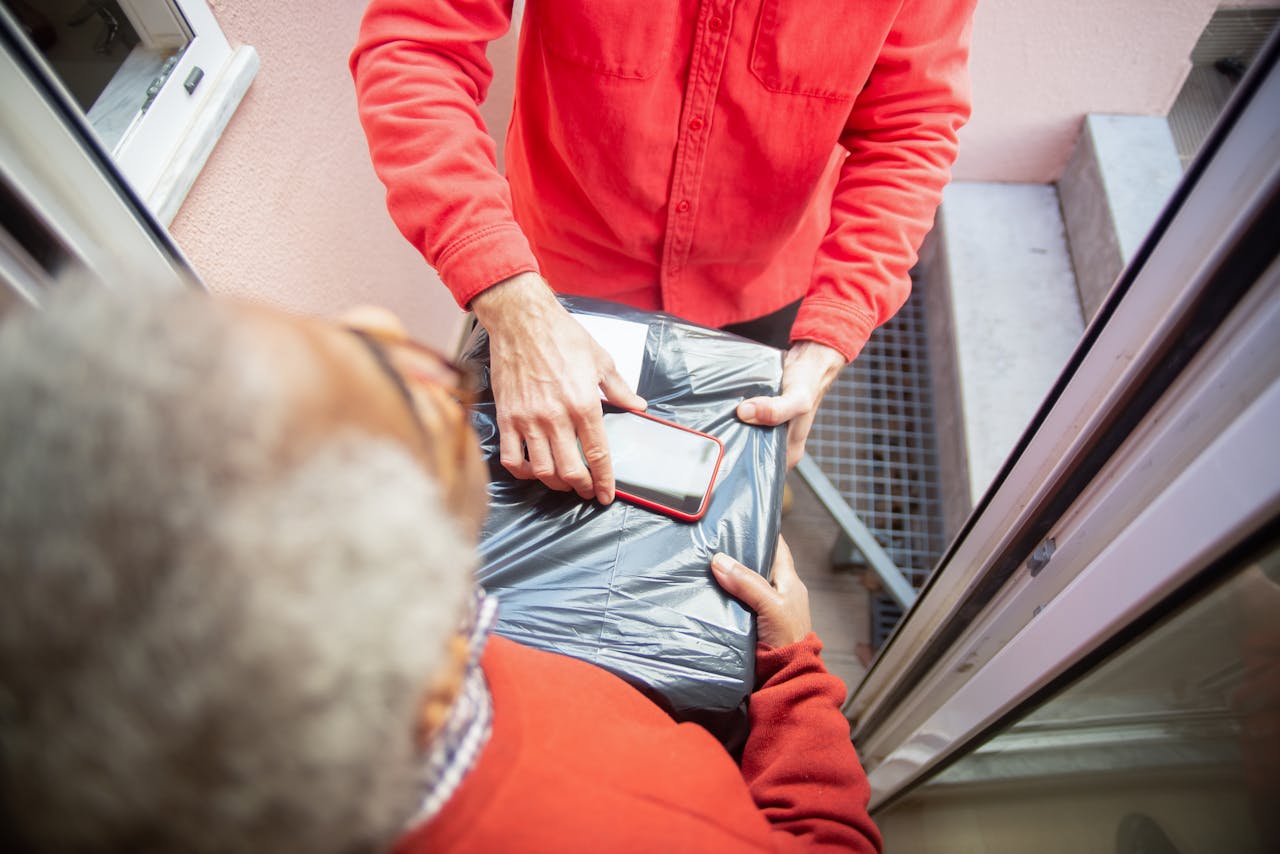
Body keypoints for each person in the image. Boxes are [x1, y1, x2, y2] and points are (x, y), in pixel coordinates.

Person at [0, 289, 881, 853]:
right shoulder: (642, 831)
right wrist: (795, 674)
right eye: (432, 396)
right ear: (435, 665)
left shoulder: (329, 671)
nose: (380, 317)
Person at [350, 0, 976, 503]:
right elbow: (416, 48)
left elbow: (911, 128)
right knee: (534, 487)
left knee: (709, 485)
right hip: (550, 276)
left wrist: (836, 326)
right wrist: (509, 299)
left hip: (763, 284)